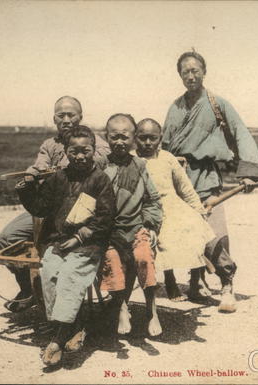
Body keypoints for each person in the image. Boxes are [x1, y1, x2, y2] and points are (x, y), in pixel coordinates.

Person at [161, 51, 258, 313]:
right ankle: (190, 281)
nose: (190, 76)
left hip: (207, 177)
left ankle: (226, 286)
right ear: (179, 75)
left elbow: (241, 134)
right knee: (181, 231)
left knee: (215, 232)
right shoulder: (174, 108)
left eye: (195, 70)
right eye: (185, 71)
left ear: (204, 72)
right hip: (179, 178)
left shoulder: (218, 104)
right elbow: (162, 146)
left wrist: (249, 173)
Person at [0, 96, 110, 313]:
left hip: (83, 210)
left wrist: (71, 161)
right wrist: (34, 175)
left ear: (81, 117)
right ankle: (28, 289)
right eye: (61, 115)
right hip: (52, 208)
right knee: (7, 237)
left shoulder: (96, 142)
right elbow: (41, 169)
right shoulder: (49, 145)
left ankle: (62, 300)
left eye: (72, 115)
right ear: (54, 119)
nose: (66, 119)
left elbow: (100, 161)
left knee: (56, 245)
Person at [15, 125, 116, 366]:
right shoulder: (59, 177)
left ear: (93, 150)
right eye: (74, 151)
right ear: (66, 152)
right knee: (48, 273)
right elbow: (41, 208)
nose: (80, 156)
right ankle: (72, 325)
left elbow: (106, 217)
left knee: (71, 274)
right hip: (59, 241)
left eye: (86, 150)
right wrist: (27, 189)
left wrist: (80, 237)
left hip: (88, 243)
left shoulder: (100, 180)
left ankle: (58, 340)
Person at [133, 118, 215, 301]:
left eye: (152, 138)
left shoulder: (167, 158)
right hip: (146, 207)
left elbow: (185, 188)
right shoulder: (132, 159)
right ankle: (170, 280)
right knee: (164, 235)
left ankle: (196, 281)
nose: (147, 143)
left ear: (160, 138)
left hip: (172, 205)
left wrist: (199, 211)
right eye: (142, 138)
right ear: (135, 138)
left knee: (196, 226)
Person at [98, 113, 164, 337]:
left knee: (144, 258)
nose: (119, 142)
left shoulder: (139, 165)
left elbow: (153, 200)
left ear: (134, 138)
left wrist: (150, 225)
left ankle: (152, 311)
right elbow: (87, 199)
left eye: (125, 137)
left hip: (136, 229)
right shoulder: (99, 165)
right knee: (113, 261)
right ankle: (122, 308)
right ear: (106, 137)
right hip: (108, 233)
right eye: (114, 137)